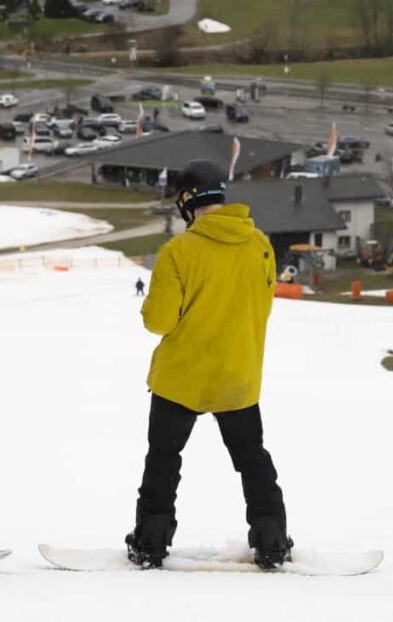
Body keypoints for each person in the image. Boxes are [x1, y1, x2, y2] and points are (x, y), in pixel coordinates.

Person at [129, 159, 289, 570]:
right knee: (252, 459)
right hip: (238, 376)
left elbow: (158, 321)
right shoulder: (260, 245)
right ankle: (271, 540)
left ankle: (150, 542)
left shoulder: (178, 252)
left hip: (181, 378)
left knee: (163, 460)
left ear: (186, 202)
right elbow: (261, 308)